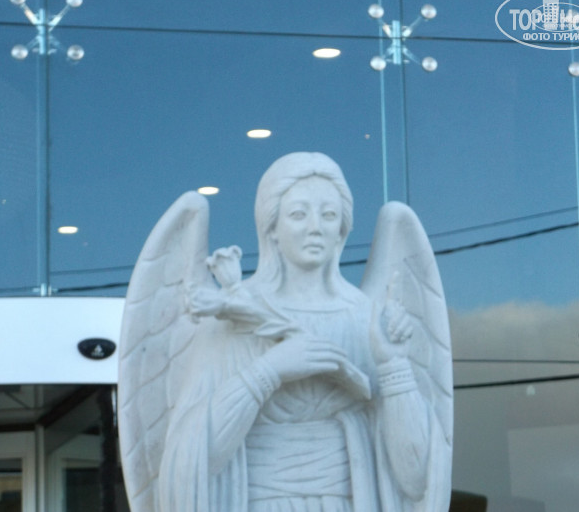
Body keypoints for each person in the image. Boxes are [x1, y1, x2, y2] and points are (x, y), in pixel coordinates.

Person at [155, 152, 441, 511]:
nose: (315, 227)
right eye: (298, 214)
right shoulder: (231, 316)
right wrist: (269, 371)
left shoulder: (369, 318)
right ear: (271, 227)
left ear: (342, 230)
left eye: (329, 215)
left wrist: (394, 365)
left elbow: (414, 477)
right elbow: (191, 455)